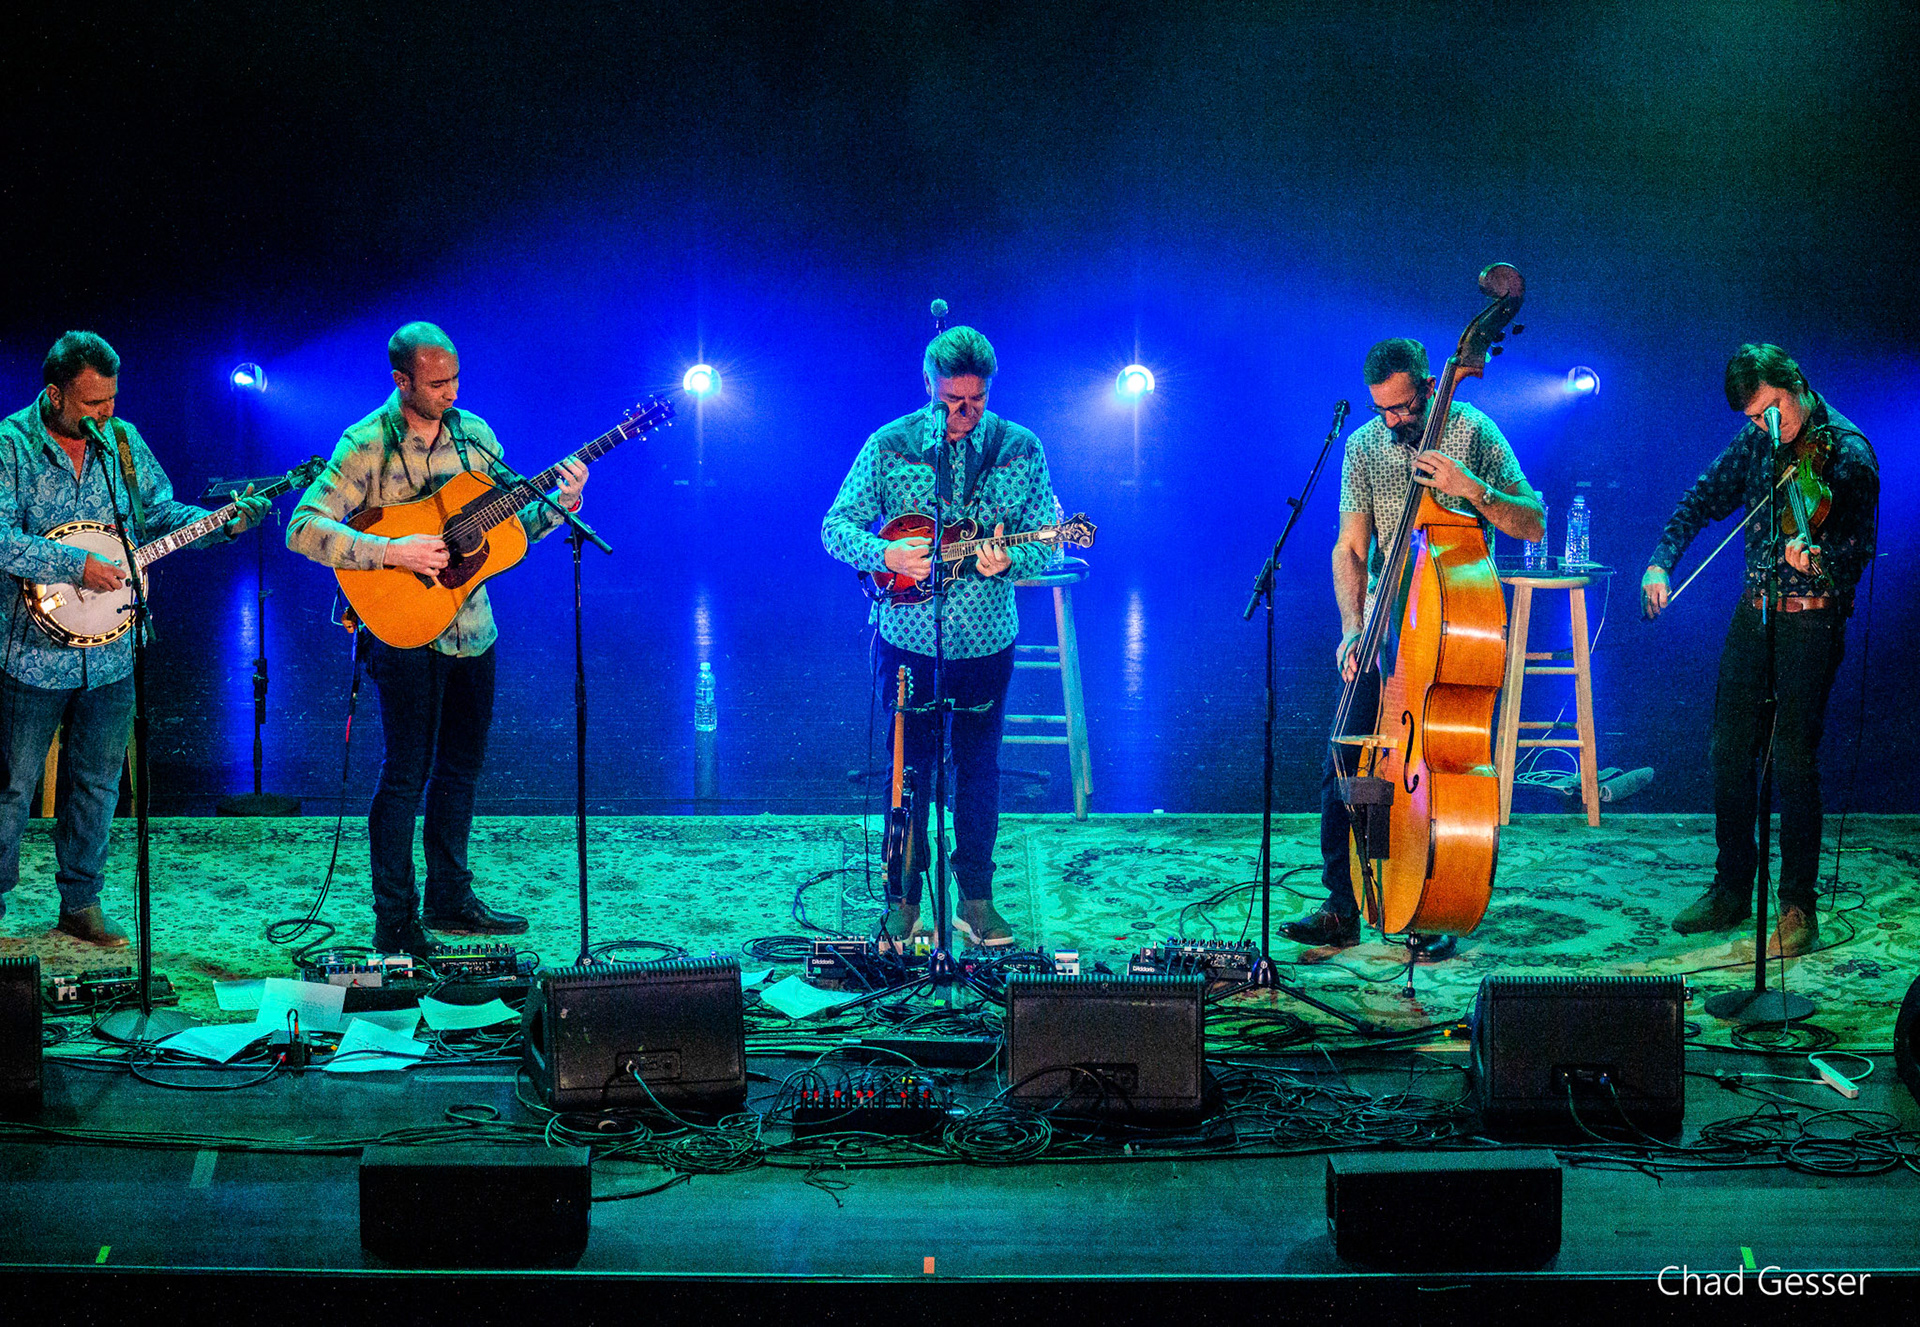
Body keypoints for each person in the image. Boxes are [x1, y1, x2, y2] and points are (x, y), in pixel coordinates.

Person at [287, 322, 588, 957]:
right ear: (402, 381)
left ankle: (450, 898)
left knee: (461, 770)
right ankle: (395, 919)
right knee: (405, 775)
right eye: (436, 383)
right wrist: (391, 550)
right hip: (401, 631)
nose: (451, 392)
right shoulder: (366, 444)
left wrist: (562, 503)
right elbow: (303, 528)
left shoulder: (474, 436)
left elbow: (509, 530)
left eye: (455, 379)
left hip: (473, 629)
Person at [0, 331, 269, 946]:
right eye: (92, 403)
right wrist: (76, 565)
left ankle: (81, 901)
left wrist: (221, 524)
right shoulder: (10, 445)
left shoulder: (122, 442)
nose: (106, 413)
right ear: (55, 394)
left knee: (97, 782)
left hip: (111, 651)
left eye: (112, 399)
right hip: (29, 655)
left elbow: (160, 515)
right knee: (10, 785)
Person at [1283, 337, 1545, 954]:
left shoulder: (1473, 430)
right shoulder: (1364, 445)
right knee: (1347, 760)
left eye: (1402, 407)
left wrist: (1474, 489)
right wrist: (1352, 628)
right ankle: (1344, 902)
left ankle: (1432, 900)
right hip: (1384, 625)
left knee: (1438, 772)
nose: (1392, 421)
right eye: (1382, 409)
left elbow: (1533, 520)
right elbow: (1351, 547)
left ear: (1429, 386)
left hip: (1448, 630)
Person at [822, 325, 1059, 949]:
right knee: (909, 775)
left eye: (976, 400)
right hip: (906, 639)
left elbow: (1048, 537)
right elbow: (835, 527)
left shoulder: (1021, 447)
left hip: (986, 643)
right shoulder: (890, 444)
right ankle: (903, 900)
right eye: (953, 401)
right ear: (928, 385)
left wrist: (1012, 560)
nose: (964, 413)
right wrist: (887, 554)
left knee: (979, 770)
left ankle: (975, 899)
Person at [1643, 344, 1877, 958]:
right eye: (1755, 417)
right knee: (1728, 751)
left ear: (1794, 383)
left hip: (1812, 621)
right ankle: (1731, 889)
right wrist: (1661, 561)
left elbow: (1855, 555)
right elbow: (1701, 499)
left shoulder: (1848, 454)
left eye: (1773, 408)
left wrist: (1817, 561)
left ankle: (1799, 908)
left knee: (1793, 760)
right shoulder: (1758, 441)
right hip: (1756, 611)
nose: (1769, 424)